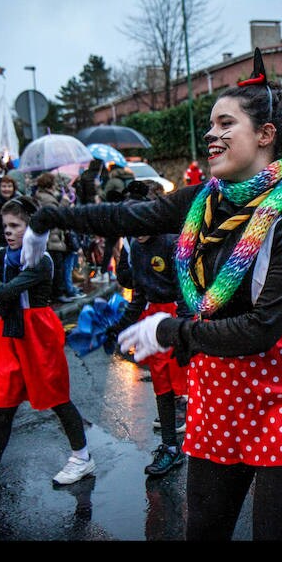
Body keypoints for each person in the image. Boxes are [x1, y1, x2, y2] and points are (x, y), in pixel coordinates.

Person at [19, 48, 282, 541]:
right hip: (219, 382)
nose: (211, 134)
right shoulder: (201, 202)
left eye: (226, 123)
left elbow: (261, 330)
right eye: (210, 124)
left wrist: (167, 329)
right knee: (204, 528)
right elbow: (125, 217)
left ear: (266, 135)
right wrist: (48, 217)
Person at [0, 195, 97, 498]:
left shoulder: (41, 260)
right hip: (11, 332)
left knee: (57, 398)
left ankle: (82, 457)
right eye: (5, 226)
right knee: (3, 403)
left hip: (37, 333)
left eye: (15, 226)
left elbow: (6, 291)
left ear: (31, 229)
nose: (7, 231)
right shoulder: (8, 254)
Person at [103, 181, 190, 477]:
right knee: (162, 385)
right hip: (154, 321)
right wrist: (118, 329)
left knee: (194, 384)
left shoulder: (171, 242)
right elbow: (139, 296)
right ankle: (169, 447)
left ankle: (211, 445)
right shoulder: (136, 250)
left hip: (176, 319)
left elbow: (184, 290)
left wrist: (184, 330)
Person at [33, 172, 74, 303]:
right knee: (57, 267)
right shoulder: (47, 199)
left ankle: (56, 293)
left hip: (53, 237)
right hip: (53, 238)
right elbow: (55, 216)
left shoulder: (44, 196)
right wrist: (64, 203)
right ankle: (58, 293)